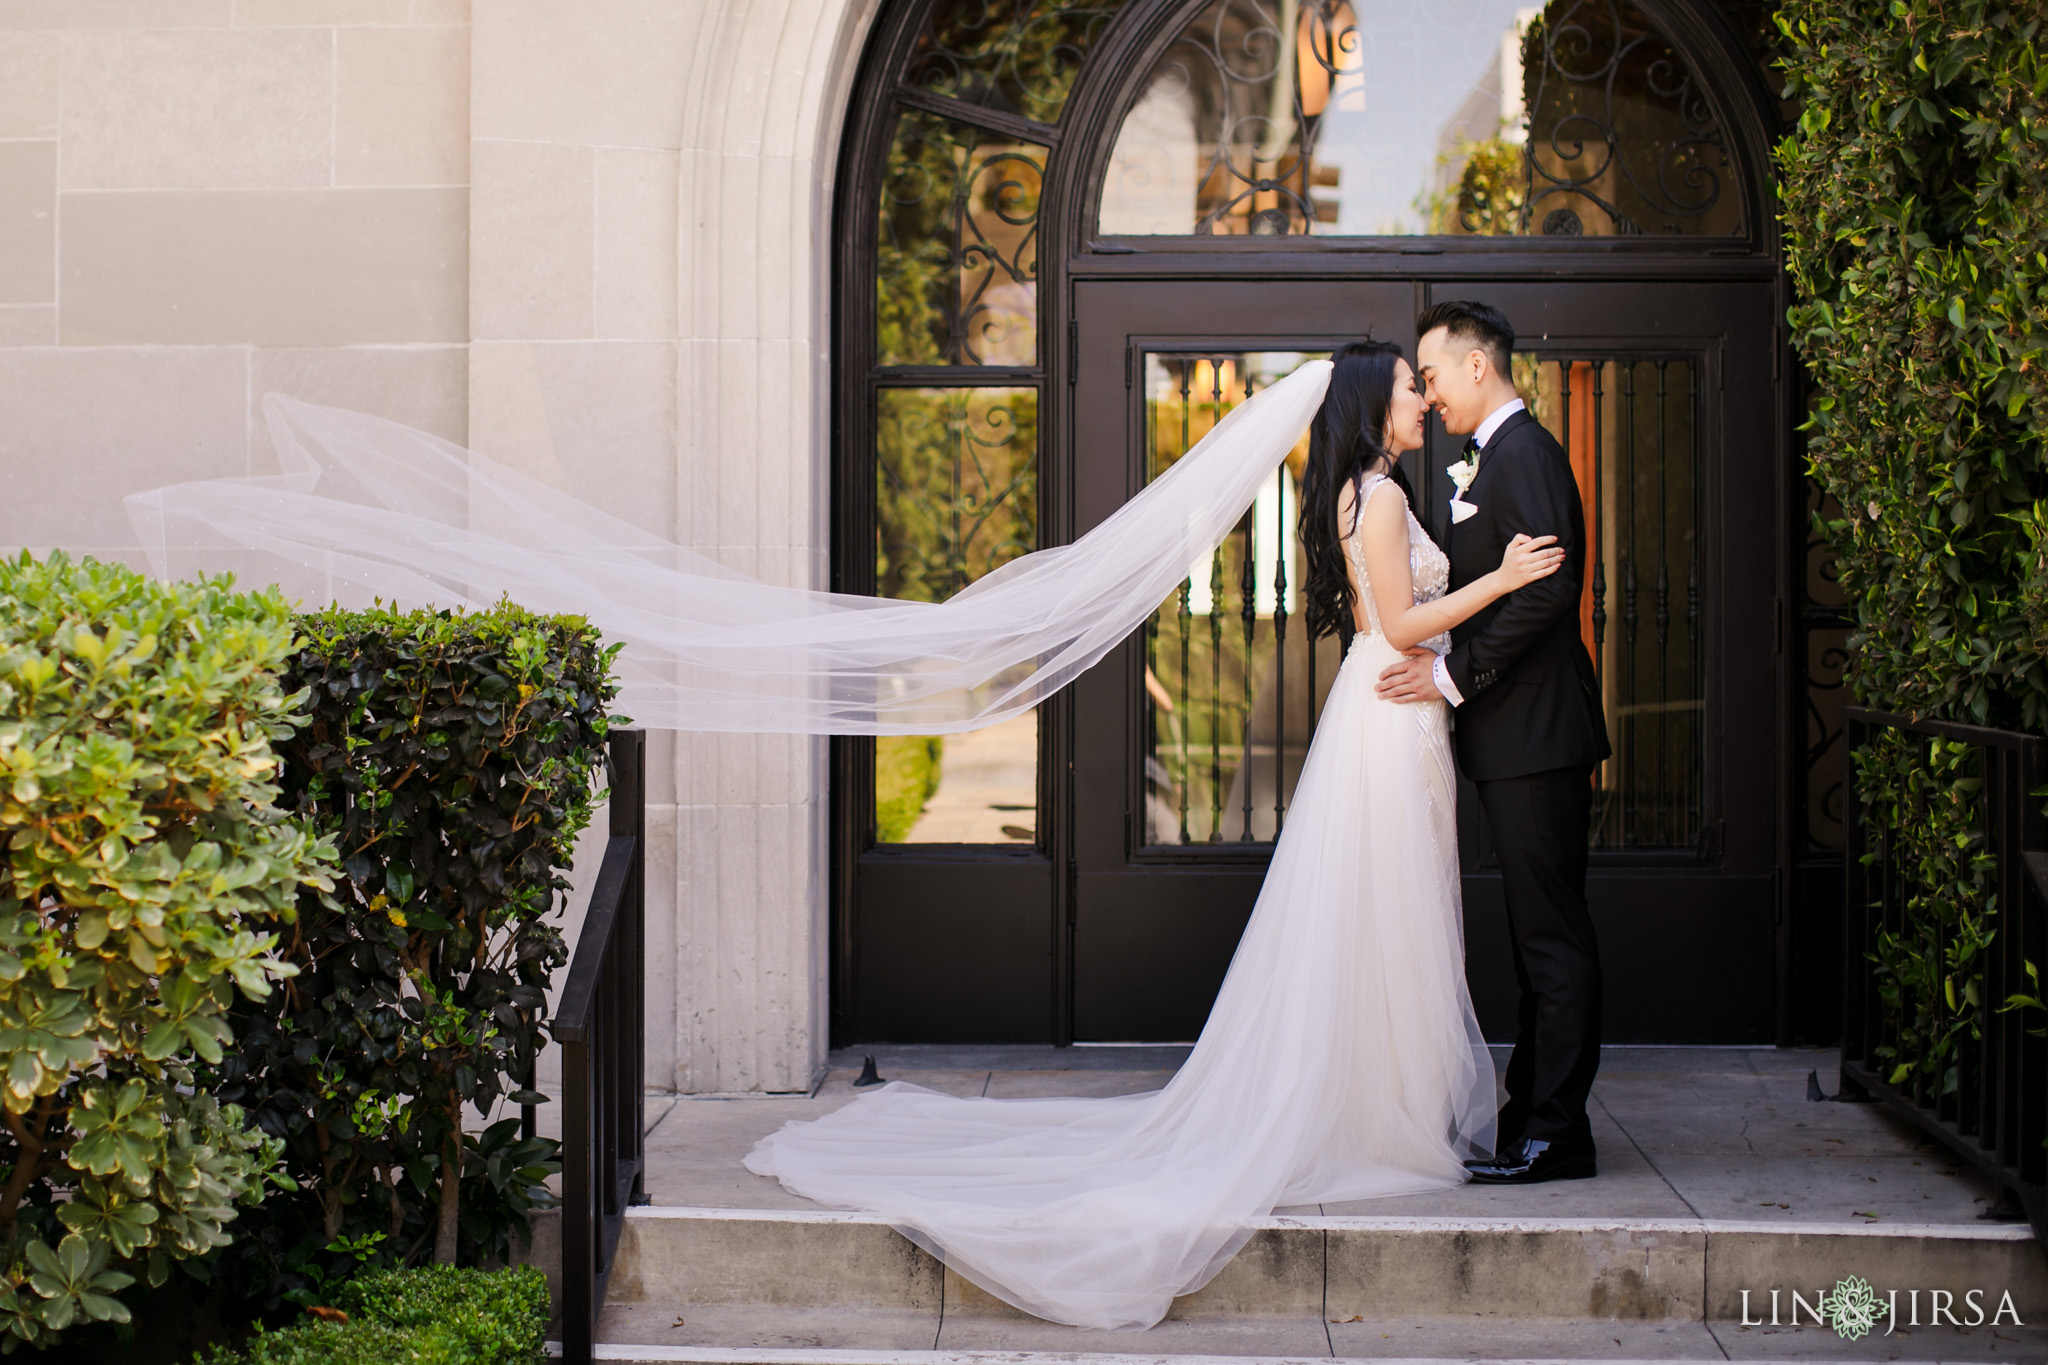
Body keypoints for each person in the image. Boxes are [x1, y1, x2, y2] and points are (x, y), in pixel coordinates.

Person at [741, 340, 1567, 1328]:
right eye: (1404, 387)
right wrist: (1508, 579)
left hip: (1385, 716)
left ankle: (1371, 1099)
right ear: (1366, 402)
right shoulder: (1379, 497)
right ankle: (1372, 1112)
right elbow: (1396, 623)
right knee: (1389, 911)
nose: (1420, 401)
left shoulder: (1358, 491)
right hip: (1391, 716)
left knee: (1378, 913)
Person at [1374, 301, 1612, 1185]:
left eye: (1432, 376)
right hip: (1513, 737)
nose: (1428, 396)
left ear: (1479, 366)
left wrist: (1450, 676)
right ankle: (1531, 1116)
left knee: (1552, 937)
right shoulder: (1497, 458)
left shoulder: (1529, 455)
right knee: (1532, 936)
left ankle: (1558, 1131)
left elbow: (1547, 595)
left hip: (1539, 734)